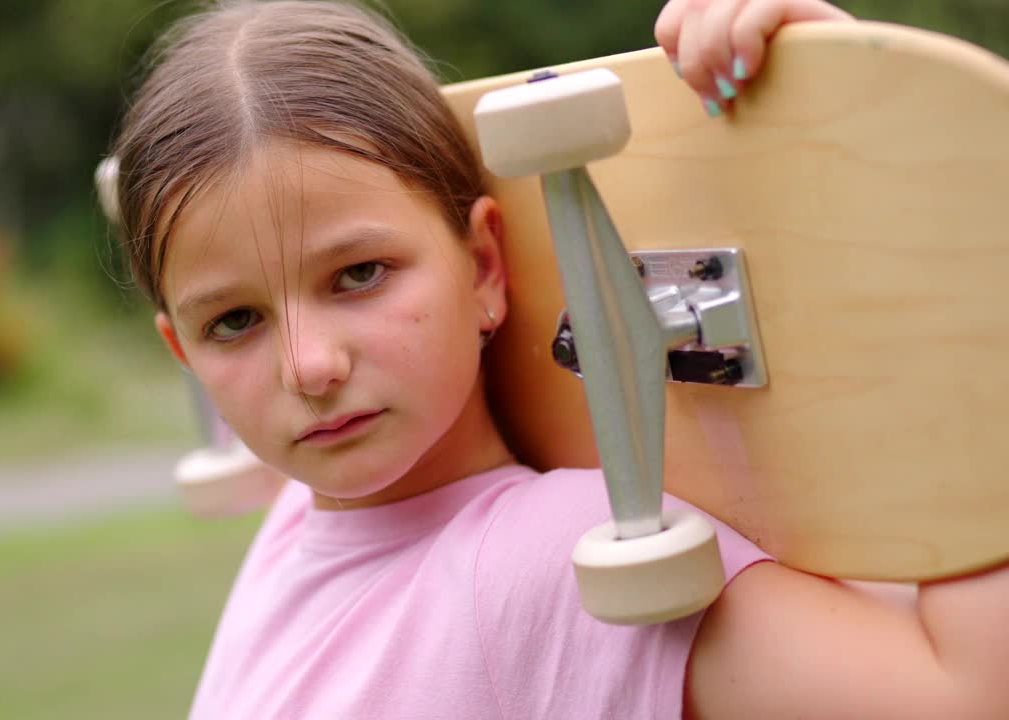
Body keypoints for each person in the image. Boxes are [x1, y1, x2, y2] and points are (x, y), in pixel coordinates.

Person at [105, 1, 1009, 717]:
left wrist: (886, 158)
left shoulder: (551, 567)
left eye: (359, 274)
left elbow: (962, 700)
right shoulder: (301, 521)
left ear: (485, 268)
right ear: (181, 352)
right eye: (235, 323)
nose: (308, 367)